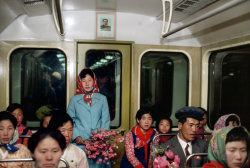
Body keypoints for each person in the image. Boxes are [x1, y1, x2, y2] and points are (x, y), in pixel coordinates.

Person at [67, 68, 110, 167]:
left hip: (98, 144)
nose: (87, 83)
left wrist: (101, 138)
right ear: (80, 82)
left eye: (89, 80)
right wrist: (76, 136)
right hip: (80, 143)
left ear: (94, 81)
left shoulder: (102, 99)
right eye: (84, 81)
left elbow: (105, 121)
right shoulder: (74, 100)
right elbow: (70, 120)